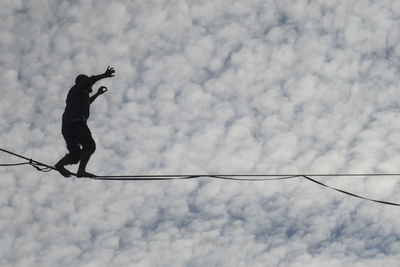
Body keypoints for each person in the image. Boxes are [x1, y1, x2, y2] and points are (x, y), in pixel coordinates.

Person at [55, 66, 115, 177]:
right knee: (89, 146)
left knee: (75, 155)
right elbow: (89, 81)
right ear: (82, 82)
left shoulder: (80, 95)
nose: (91, 86)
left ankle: (59, 165)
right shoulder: (77, 88)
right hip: (76, 123)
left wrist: (97, 94)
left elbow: (87, 102)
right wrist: (104, 75)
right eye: (89, 85)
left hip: (67, 126)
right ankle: (81, 171)